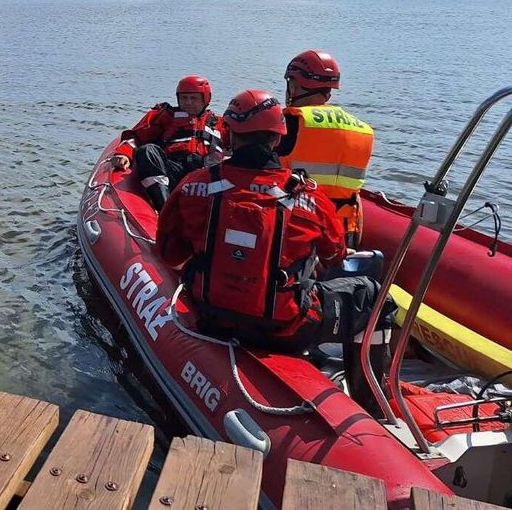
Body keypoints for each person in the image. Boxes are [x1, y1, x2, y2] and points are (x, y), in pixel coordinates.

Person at [156, 89, 394, 416]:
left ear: (228, 133)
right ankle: (373, 409)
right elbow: (335, 255)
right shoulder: (309, 195)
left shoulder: (195, 185)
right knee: (377, 300)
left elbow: (169, 253)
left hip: (210, 317)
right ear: (278, 139)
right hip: (286, 329)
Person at [278, 50, 374, 248]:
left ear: (294, 86)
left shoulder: (290, 121)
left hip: (296, 227)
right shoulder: (364, 130)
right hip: (343, 234)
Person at [110, 75, 223, 212]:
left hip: (206, 177)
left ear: (206, 99)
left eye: (193, 98)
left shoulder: (221, 124)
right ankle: (165, 208)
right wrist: (124, 154)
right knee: (147, 151)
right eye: (184, 98)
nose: (188, 103)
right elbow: (137, 136)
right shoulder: (166, 116)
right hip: (172, 170)